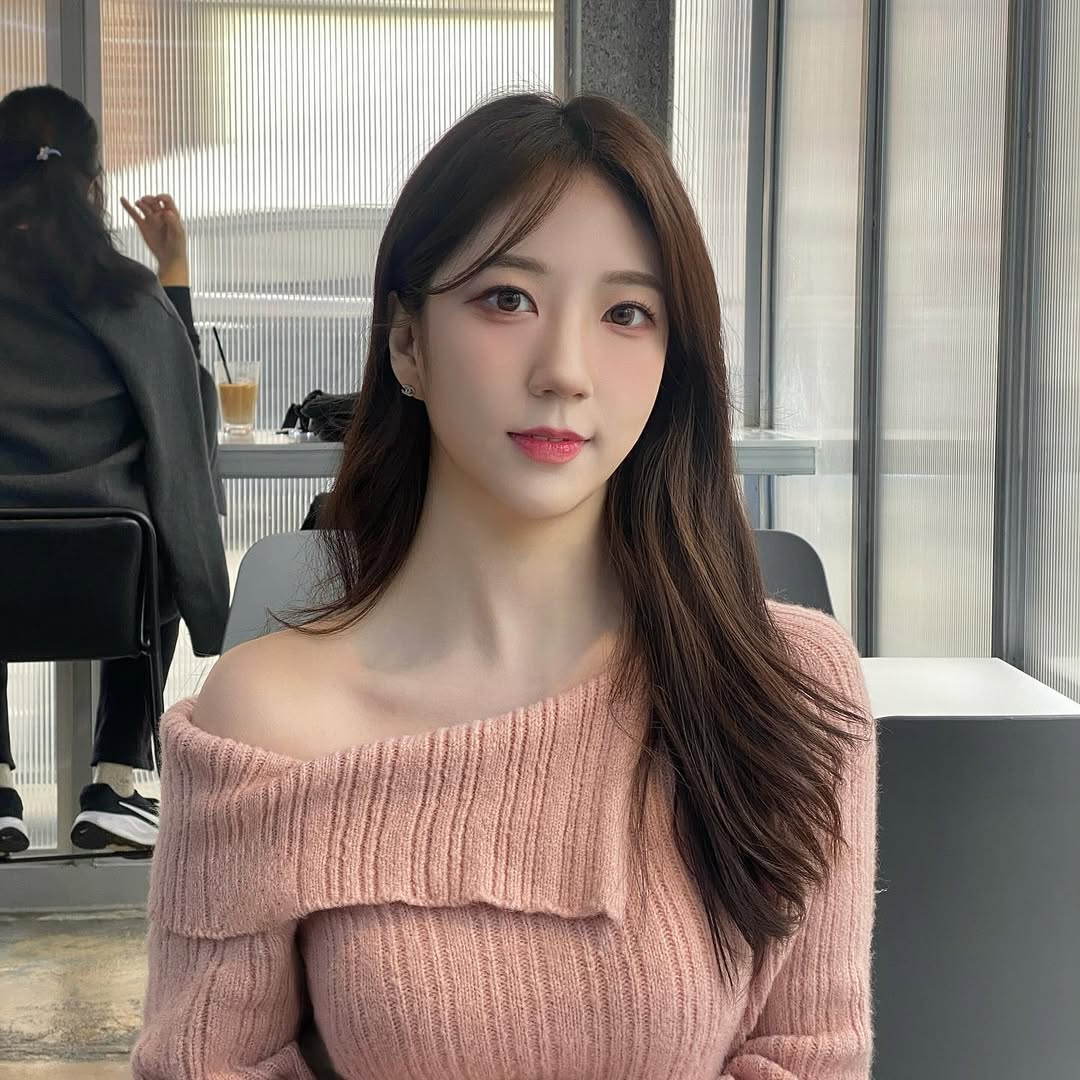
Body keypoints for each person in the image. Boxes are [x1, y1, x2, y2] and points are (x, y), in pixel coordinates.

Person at [133, 93, 877, 1079]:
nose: (564, 370)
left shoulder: (788, 689)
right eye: (507, 299)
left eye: (626, 313)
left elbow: (809, 1055)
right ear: (407, 343)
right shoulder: (265, 719)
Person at [0, 85, 229, 855]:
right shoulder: (125, 291)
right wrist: (173, 269)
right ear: (94, 186)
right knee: (158, 527)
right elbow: (184, 417)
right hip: (110, 582)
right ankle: (117, 783)